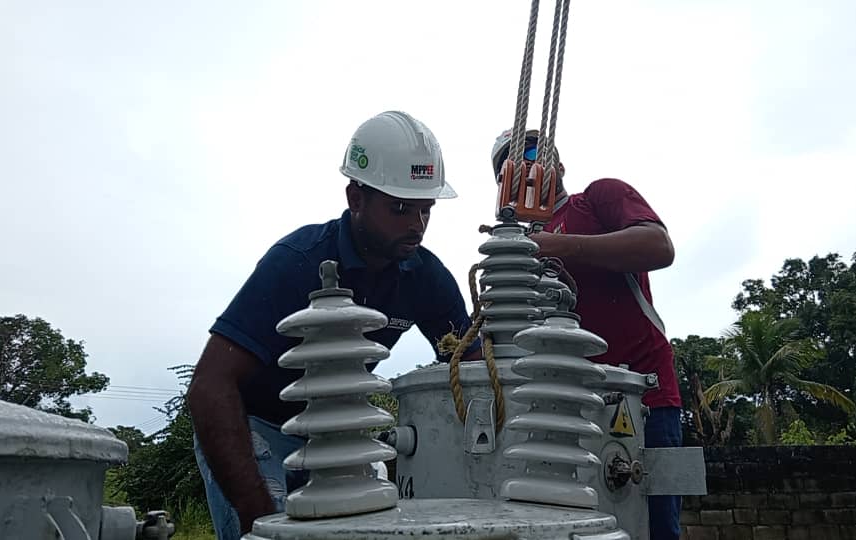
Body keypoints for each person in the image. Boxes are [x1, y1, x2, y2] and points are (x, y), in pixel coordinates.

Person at [188, 110, 481, 540]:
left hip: (339, 434)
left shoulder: (425, 278)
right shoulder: (296, 262)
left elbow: (469, 371)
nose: (416, 225)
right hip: (255, 427)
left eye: (425, 210)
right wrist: (257, 515)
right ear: (355, 198)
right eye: (400, 208)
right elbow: (209, 387)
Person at [490, 129, 683, 540]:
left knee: (652, 527)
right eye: (508, 166)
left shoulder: (598, 197)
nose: (523, 167)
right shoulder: (515, 253)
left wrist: (555, 246)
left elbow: (658, 245)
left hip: (643, 397)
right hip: (565, 410)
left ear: (558, 165)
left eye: (531, 153)